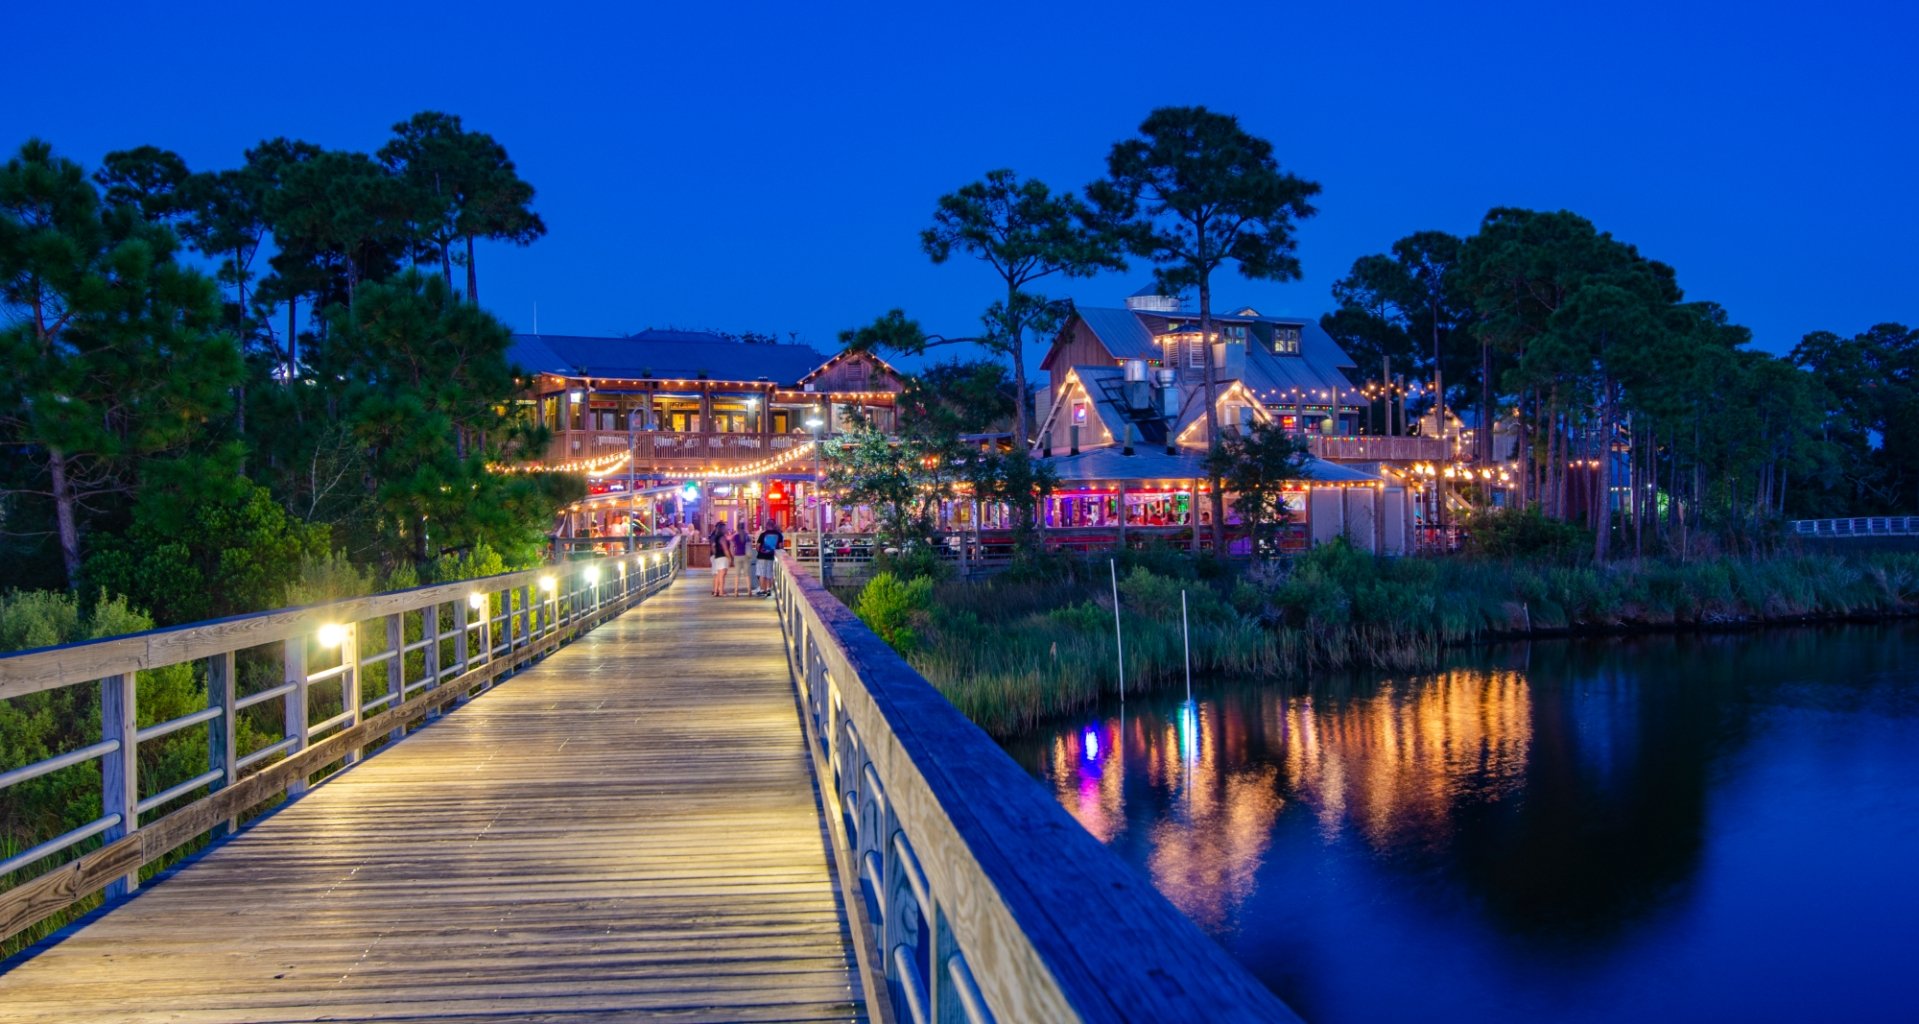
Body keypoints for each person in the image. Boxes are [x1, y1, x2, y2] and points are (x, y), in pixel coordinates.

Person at [752, 519, 784, 597]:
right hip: (771, 556)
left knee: (762, 573)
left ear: (767, 525)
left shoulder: (763, 534)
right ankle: (769, 589)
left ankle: (763, 590)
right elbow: (780, 546)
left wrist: (759, 551)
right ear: (774, 525)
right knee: (769, 573)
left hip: (762, 556)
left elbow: (758, 546)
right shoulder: (779, 535)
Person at [709, 521, 730, 596]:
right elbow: (724, 548)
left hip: (717, 557)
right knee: (721, 575)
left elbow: (713, 546)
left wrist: (715, 555)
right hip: (721, 557)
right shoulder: (721, 537)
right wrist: (730, 557)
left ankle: (715, 591)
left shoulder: (714, 536)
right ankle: (720, 591)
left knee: (717, 574)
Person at [728, 522, 750, 596]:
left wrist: (733, 554)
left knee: (737, 574)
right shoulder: (747, 536)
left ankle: (736, 591)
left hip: (737, 556)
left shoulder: (735, 536)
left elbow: (731, 547)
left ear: (737, 528)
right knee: (747, 574)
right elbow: (749, 546)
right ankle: (749, 590)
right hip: (745, 556)